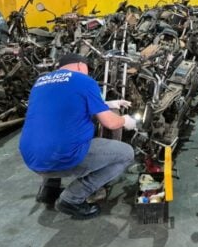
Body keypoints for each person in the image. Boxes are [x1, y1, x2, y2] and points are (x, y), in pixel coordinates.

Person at [19, 53, 137, 220]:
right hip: (62, 158)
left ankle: (48, 190)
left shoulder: (41, 82)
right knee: (126, 154)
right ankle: (72, 199)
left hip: (32, 158)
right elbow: (110, 123)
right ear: (81, 66)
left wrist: (107, 104)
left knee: (53, 133)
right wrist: (125, 120)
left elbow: (64, 106)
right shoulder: (84, 81)